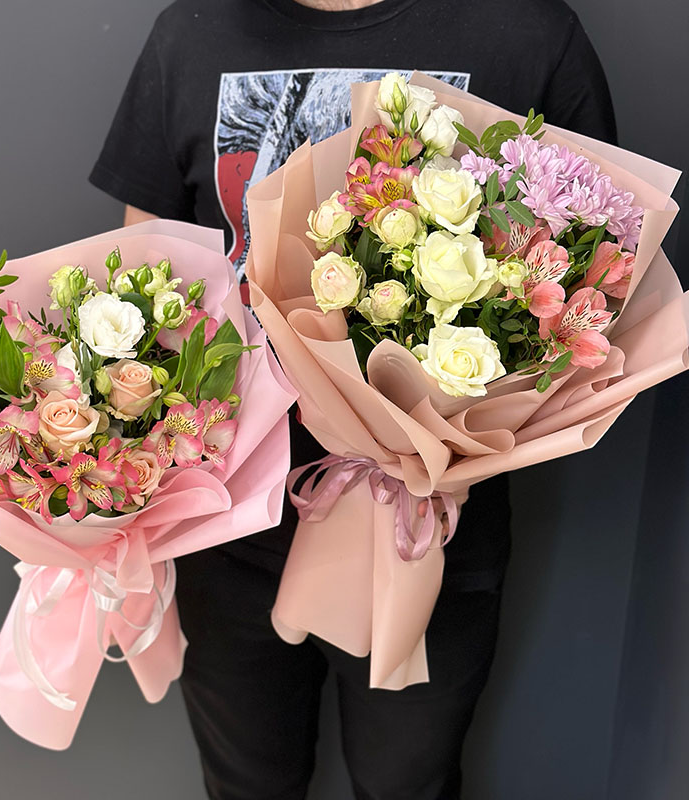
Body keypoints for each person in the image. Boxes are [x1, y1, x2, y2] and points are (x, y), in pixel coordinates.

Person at [89, 1, 616, 797]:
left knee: (408, 784)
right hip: (223, 534)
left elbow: (597, 272)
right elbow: (135, 291)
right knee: (245, 785)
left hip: (429, 535)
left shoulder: (527, 31)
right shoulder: (192, 32)